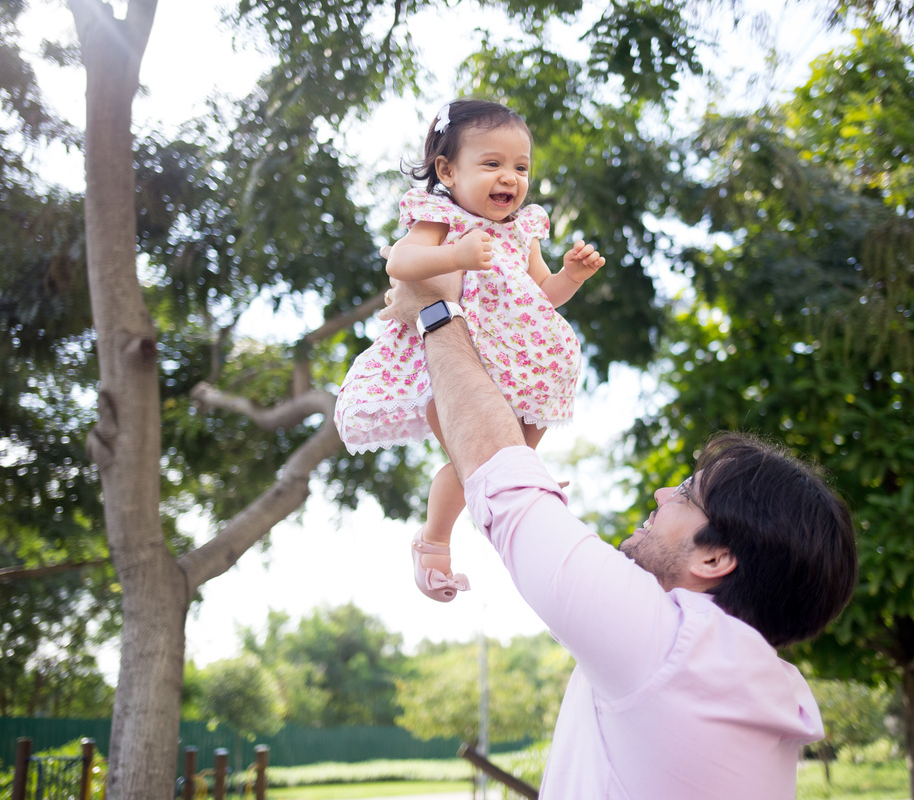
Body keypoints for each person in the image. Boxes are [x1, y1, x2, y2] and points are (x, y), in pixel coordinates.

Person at [377, 271, 860, 799]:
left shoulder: (671, 651)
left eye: (685, 493)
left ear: (717, 557)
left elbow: (506, 483)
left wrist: (435, 311)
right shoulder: (750, 681)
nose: (659, 495)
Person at [333, 99, 606, 602]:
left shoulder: (523, 228)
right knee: (473, 460)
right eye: (492, 164)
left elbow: (542, 293)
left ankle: (522, 492)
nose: (510, 178)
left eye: (520, 167)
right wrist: (455, 255)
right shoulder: (441, 216)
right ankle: (434, 541)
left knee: (509, 458)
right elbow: (401, 262)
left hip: (523, 361)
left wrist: (572, 276)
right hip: (453, 357)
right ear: (447, 170)